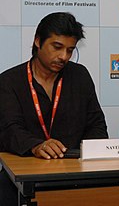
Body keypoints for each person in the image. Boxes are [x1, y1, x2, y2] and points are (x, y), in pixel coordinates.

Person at [0, 12, 108, 205]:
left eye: (70, 50)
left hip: (75, 174)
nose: (63, 56)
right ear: (37, 41)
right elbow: (9, 129)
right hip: (27, 173)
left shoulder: (80, 75)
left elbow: (97, 125)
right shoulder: (9, 81)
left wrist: (86, 154)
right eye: (57, 47)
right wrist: (36, 145)